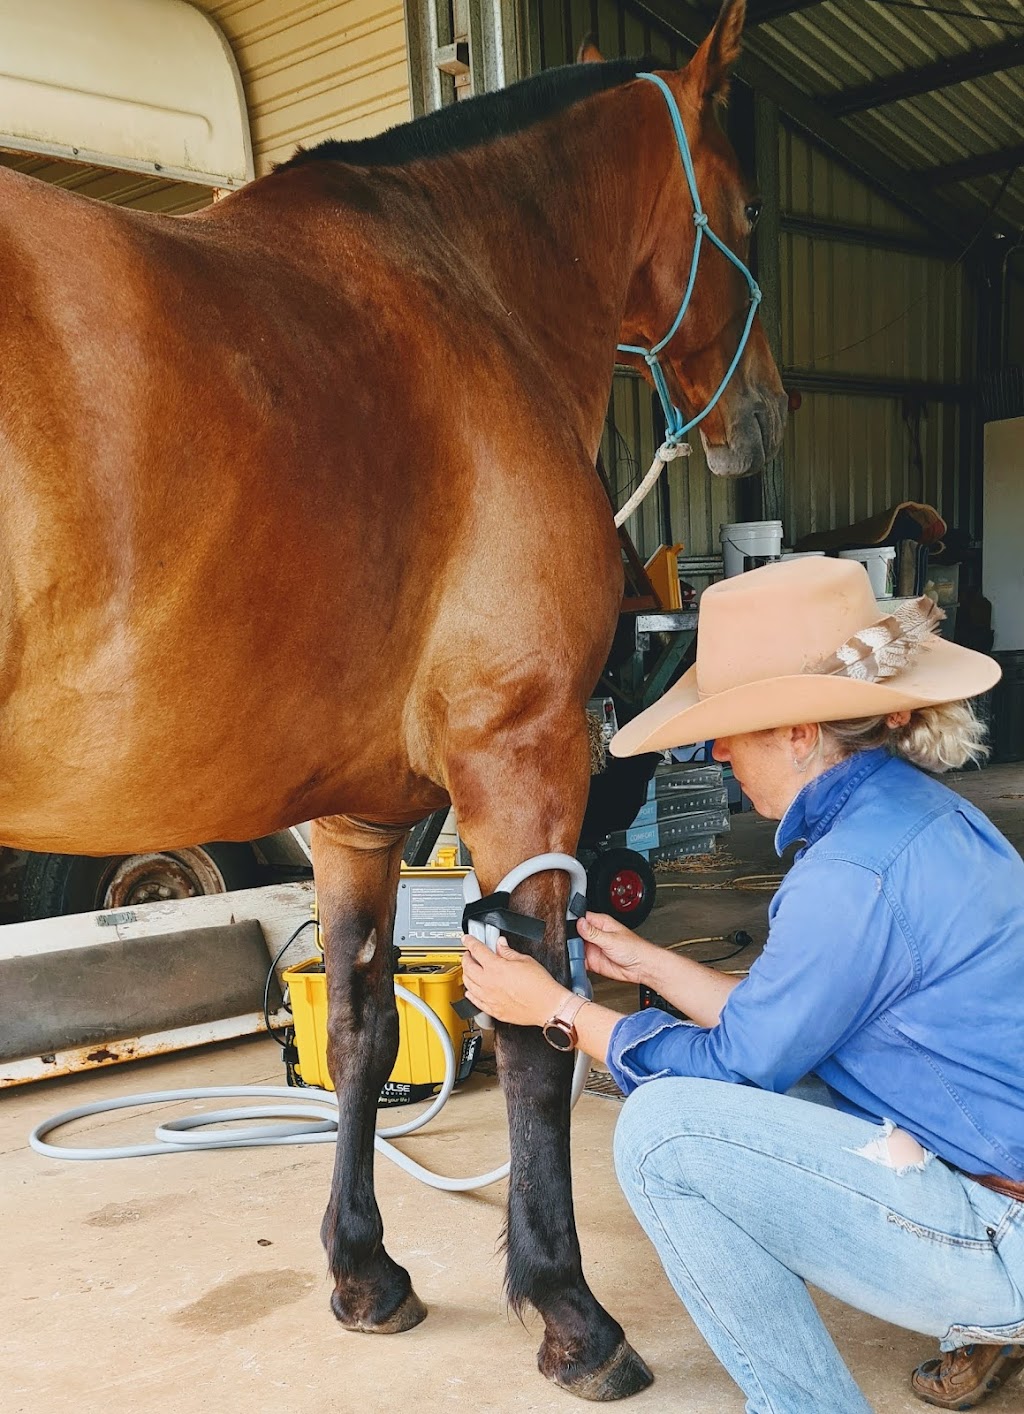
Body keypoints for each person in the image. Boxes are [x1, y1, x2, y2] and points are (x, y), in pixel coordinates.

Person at [461, 557, 1024, 1414]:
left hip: (1007, 1237)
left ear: (801, 734)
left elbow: (738, 1067)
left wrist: (558, 1011)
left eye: (737, 731)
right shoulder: (919, 817)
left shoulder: (848, 875)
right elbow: (783, 1026)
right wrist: (653, 965)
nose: (718, 751)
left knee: (662, 1133)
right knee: (783, 1076)